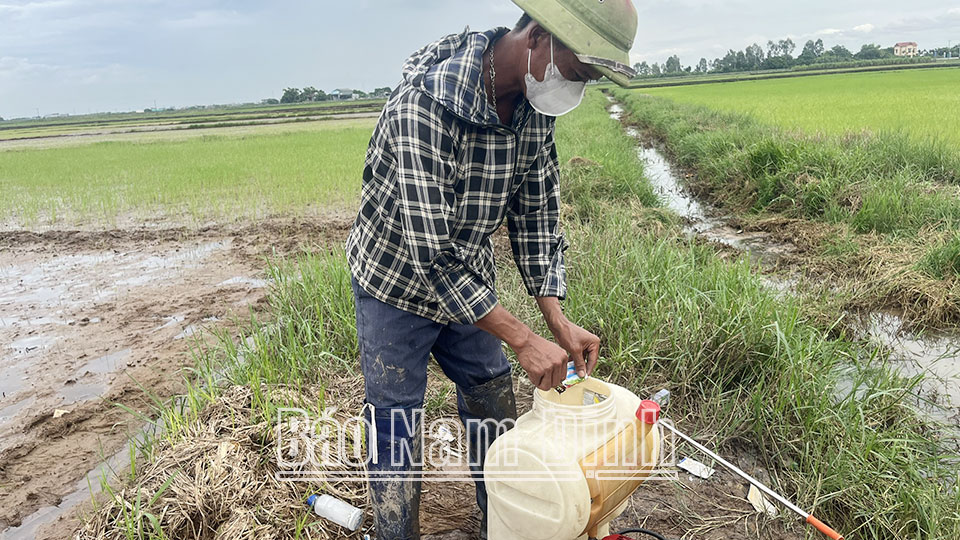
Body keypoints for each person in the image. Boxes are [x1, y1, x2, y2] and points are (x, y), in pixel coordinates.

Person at [345, 0, 639, 538]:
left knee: (493, 400)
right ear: (536, 40)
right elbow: (429, 254)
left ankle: (503, 520)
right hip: (395, 282)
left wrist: (556, 320)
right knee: (396, 425)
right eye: (575, 72)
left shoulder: (530, 110)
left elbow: (536, 217)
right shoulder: (425, 108)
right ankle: (396, 532)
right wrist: (524, 339)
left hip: (469, 285)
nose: (573, 88)